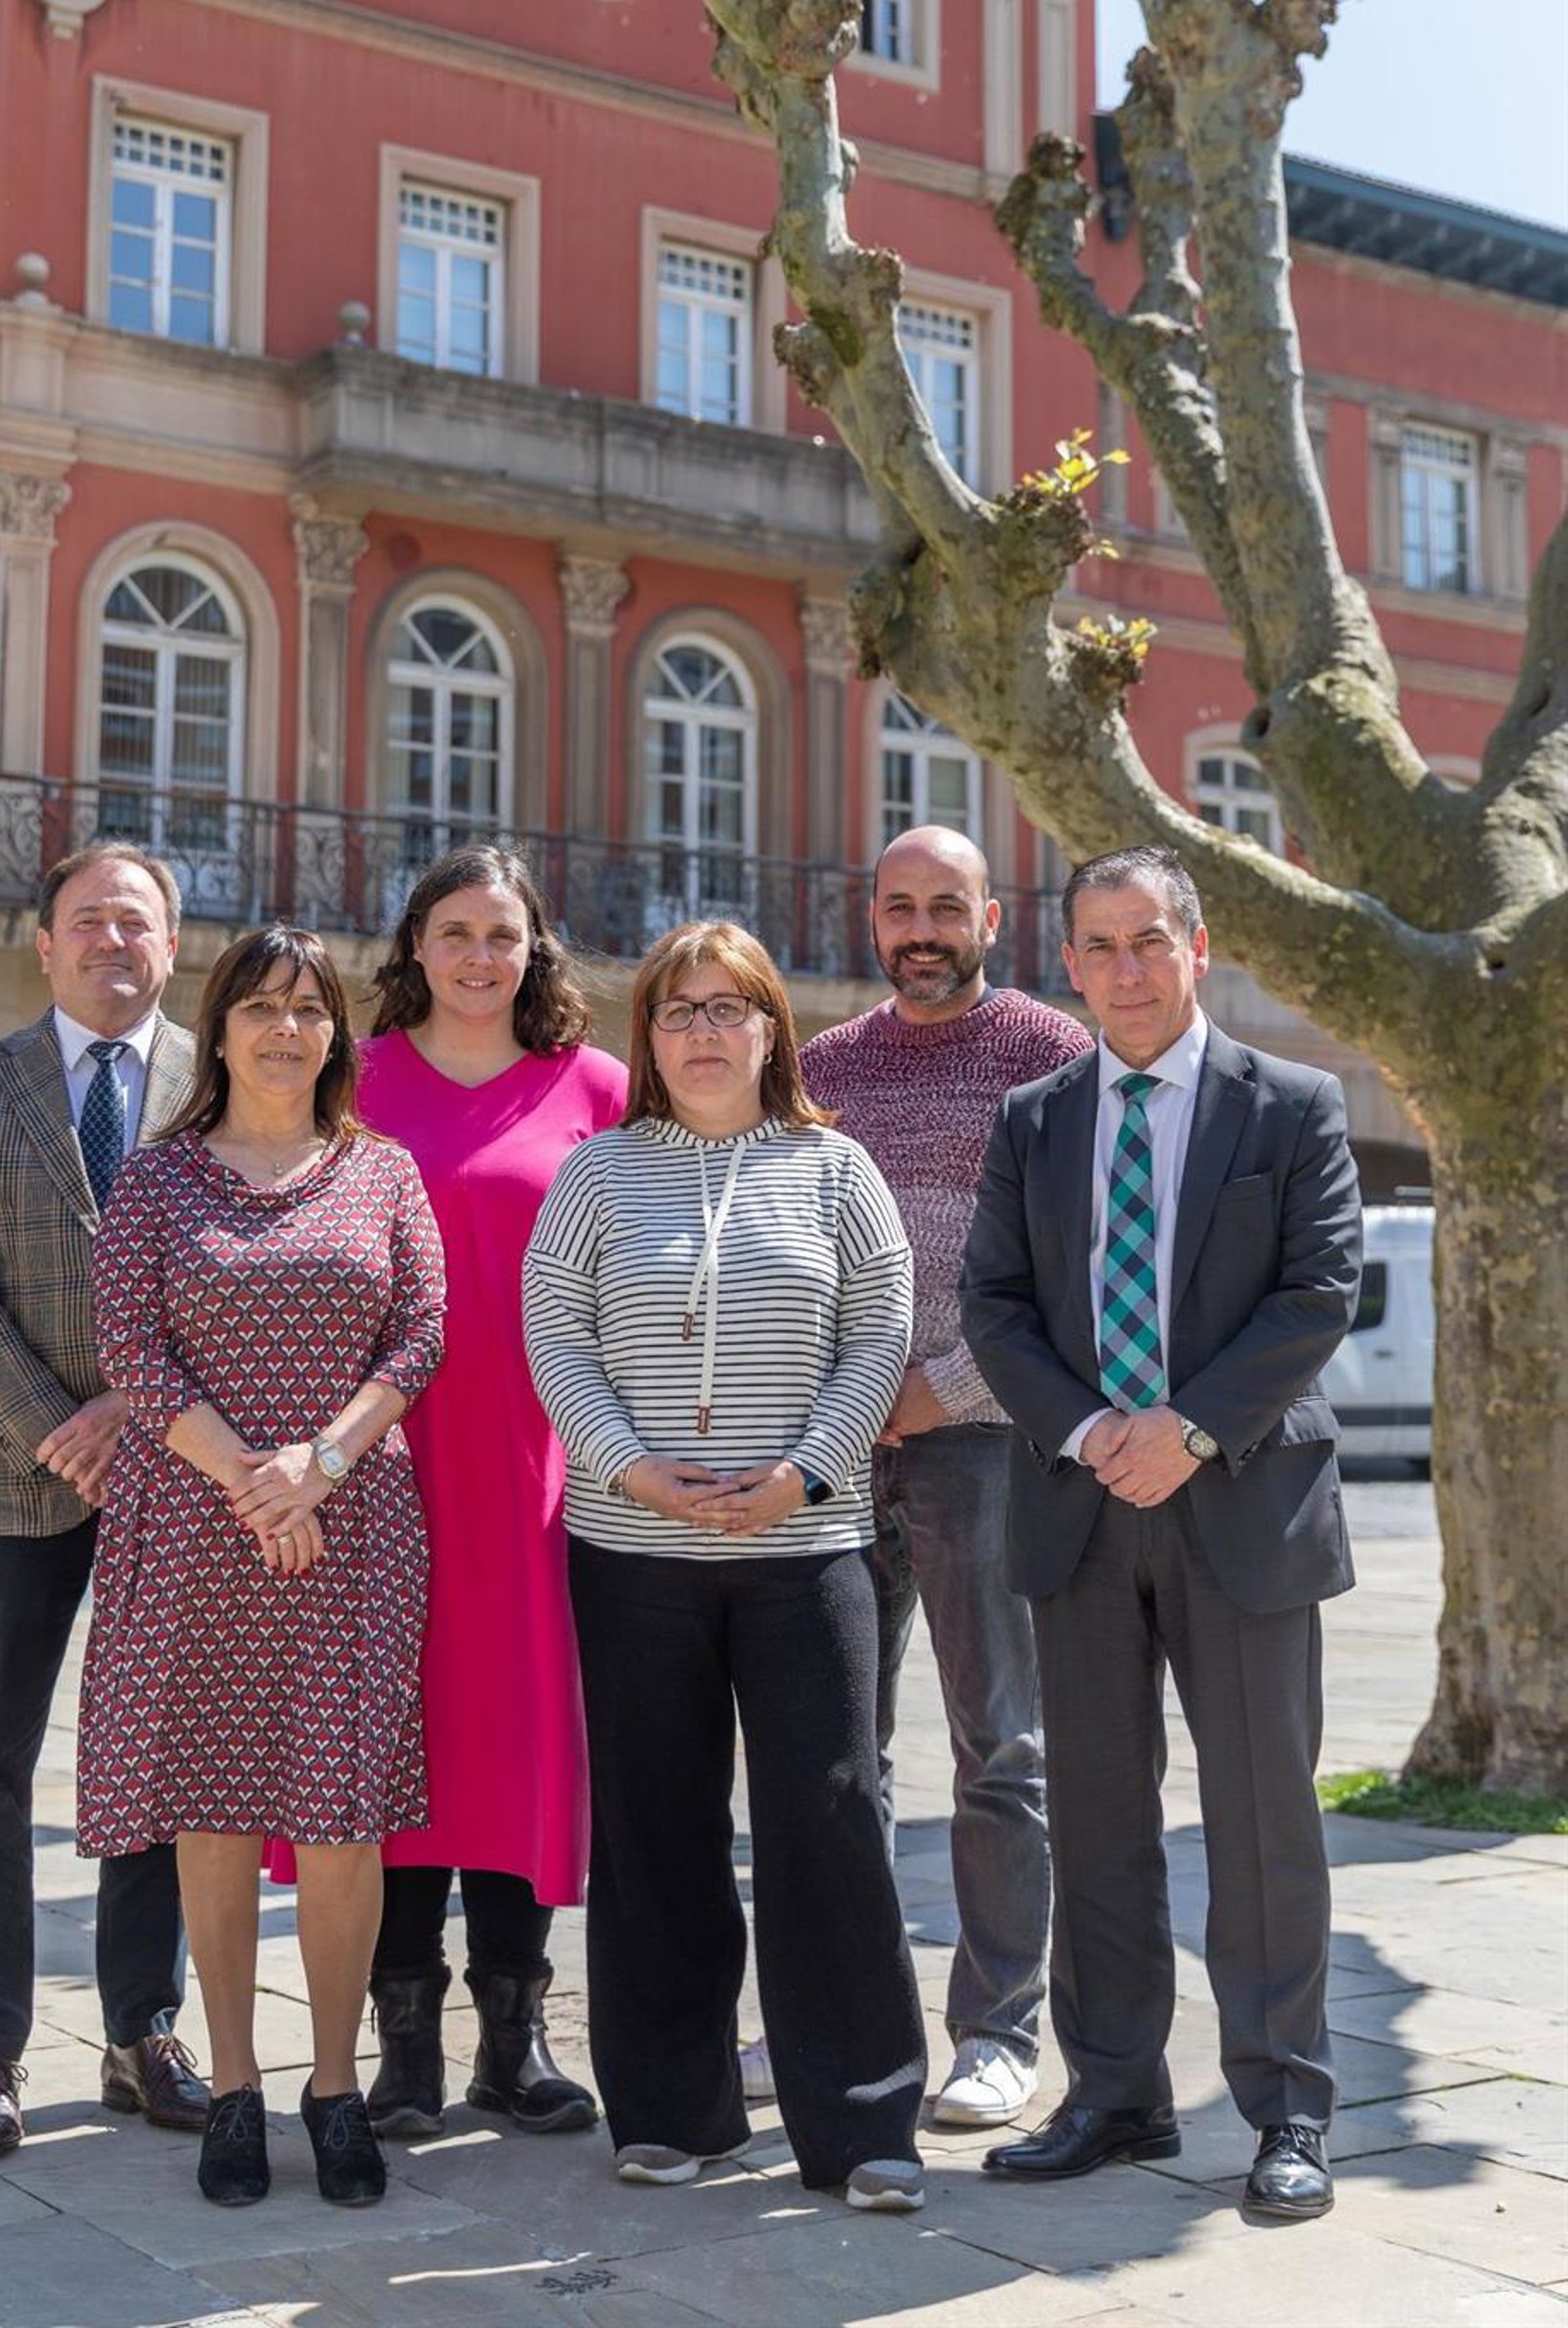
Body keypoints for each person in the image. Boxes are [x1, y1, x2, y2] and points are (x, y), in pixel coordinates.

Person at [961, 846, 1361, 2222]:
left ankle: (1289, 2106)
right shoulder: (1033, 1118)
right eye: (1099, 945)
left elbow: (1318, 1290)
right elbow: (996, 1303)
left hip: (1243, 1504)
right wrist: (1091, 1432)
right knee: (1096, 1816)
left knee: (1262, 1819)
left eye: (1148, 941)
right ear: (1067, 963)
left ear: (1197, 948)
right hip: (1080, 1506)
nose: (1125, 969)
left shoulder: (1290, 1104)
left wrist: (1185, 1428)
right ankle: (1116, 2094)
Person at [525, 920, 927, 2214]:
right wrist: (628, 1466)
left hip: (806, 1549)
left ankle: (863, 2123)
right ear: (647, 1035)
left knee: (831, 1819)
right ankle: (669, 2110)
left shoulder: (836, 1169)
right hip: (635, 1551)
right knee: (655, 1824)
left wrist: (804, 1470)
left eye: (727, 1008)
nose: (703, 1031)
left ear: (770, 1029)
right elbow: (555, 1336)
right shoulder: (597, 1175)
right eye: (678, 1009)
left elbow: (879, 1335)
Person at [75, 924, 445, 2210]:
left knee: (342, 1817)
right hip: (196, 1530)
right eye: (260, 1007)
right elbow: (132, 1349)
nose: (286, 1029)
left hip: (352, 1532)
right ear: (220, 1029)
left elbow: (420, 1335)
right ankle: (234, 2084)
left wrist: (318, 1469)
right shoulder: (157, 1181)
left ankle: (334, 2088)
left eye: (308, 1008)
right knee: (216, 1811)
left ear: (337, 1032)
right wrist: (256, 1480)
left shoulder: (384, 1171)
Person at [265, 845, 623, 2140]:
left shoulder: (599, 1088)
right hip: (376, 1459)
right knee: (391, 1737)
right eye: (456, 931)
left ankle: (515, 2042)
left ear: (536, 950)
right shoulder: (350, 1082)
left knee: (519, 1738)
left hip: (540, 1465)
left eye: (503, 934)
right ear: (415, 943)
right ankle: (404, 2047)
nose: (480, 956)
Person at [779, 824, 1092, 2130]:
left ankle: (997, 2032)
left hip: (984, 1445)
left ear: (991, 917)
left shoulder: (1051, 1054)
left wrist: (944, 1387)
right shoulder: (822, 1067)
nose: (922, 931)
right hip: (837, 1451)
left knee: (1000, 1745)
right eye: (901, 907)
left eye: (946, 907)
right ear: (872, 919)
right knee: (831, 1750)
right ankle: (843, 2026)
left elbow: (1075, 1269)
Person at [0, 843, 203, 2162]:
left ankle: (145, 2031)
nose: (111, 941)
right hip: (7, 1475)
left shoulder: (218, 1082)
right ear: (45, 944)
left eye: (135, 921)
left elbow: (249, 1272)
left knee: (157, 1760)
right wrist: (53, 1425)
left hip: (179, 1471)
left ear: (172, 945)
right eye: (88, 920)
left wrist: (132, 1410)